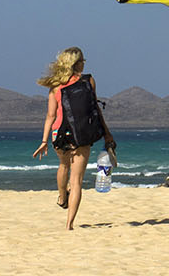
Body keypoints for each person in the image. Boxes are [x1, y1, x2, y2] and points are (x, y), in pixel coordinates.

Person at [31, 47, 115, 230]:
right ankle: (69, 224)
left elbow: (50, 116)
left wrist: (44, 141)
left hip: (59, 135)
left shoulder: (55, 87)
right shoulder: (89, 81)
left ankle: (62, 196)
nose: (84, 64)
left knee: (63, 165)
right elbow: (96, 109)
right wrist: (106, 133)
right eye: (82, 61)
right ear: (76, 63)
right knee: (76, 181)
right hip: (82, 135)